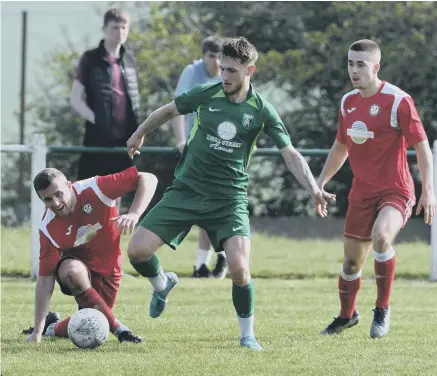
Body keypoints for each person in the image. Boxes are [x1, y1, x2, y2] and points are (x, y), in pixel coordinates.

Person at [125, 37, 335, 350]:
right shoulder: (206, 93)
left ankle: (247, 336)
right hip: (187, 189)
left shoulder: (261, 110)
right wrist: (139, 133)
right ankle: (161, 283)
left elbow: (289, 153)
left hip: (228, 199)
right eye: (222, 68)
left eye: (232, 71)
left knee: (239, 269)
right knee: (136, 252)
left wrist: (315, 189)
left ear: (250, 70)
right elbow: (168, 111)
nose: (225, 76)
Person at [318, 39, 437, 338]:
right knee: (350, 262)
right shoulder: (347, 102)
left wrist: (429, 190)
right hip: (362, 192)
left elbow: (422, 148)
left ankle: (382, 310)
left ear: (376, 67)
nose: (354, 70)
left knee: (381, 237)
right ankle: (347, 315)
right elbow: (340, 147)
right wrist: (319, 183)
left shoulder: (398, 101)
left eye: (361, 64)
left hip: (396, 189)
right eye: (350, 63)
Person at [24, 166, 158, 344]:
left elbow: (148, 178)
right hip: (76, 267)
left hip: (109, 270)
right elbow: (45, 281)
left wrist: (134, 213)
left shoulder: (96, 187)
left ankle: (53, 326)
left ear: (69, 185)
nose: (55, 203)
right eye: (47, 199)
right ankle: (122, 332)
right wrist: (36, 333)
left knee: (94, 320)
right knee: (72, 271)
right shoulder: (47, 228)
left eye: (58, 194)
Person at [170, 35, 228, 279]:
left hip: (224, 150)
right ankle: (203, 265)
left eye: (219, 56)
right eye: (211, 56)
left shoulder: (230, 74)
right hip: (198, 150)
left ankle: (218, 259)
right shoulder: (192, 73)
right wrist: (181, 142)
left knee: (220, 206)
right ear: (203, 56)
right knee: (203, 208)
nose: (215, 62)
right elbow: (176, 109)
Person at [70, 8, 140, 208]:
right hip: (97, 138)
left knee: (118, 189)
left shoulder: (129, 60)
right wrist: (97, 119)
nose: (120, 31)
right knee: (89, 189)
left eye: (124, 27)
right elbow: (75, 99)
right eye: (115, 27)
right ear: (104, 28)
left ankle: (112, 233)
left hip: (124, 139)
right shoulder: (90, 59)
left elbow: (134, 99)